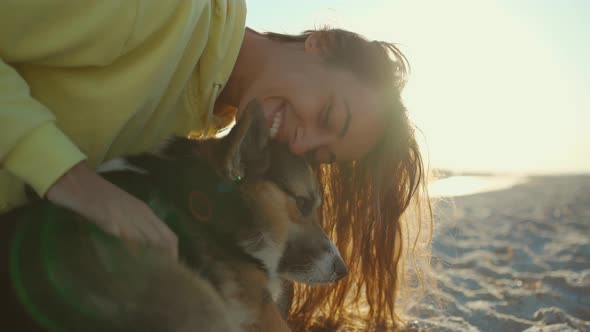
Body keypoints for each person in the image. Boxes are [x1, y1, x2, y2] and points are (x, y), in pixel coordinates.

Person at [0, 1, 432, 330]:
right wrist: (72, 180)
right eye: (328, 117)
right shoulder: (160, 13)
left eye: (321, 154)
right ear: (321, 44)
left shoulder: (202, 125)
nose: (302, 143)